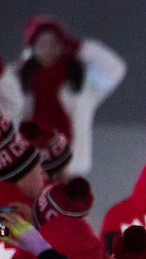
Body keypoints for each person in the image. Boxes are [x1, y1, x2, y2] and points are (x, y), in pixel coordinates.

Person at [18, 15, 125, 175]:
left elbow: (115, 69)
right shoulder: (20, 81)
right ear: (32, 48)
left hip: (72, 169)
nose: (49, 49)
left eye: (55, 43)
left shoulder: (80, 82)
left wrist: (78, 48)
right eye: (42, 43)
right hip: (29, 171)